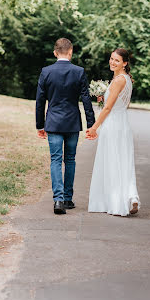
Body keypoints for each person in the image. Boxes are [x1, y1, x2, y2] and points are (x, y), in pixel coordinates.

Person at [36, 38, 95, 215]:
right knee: (70, 159)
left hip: (53, 122)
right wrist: (90, 124)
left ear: (55, 53)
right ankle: (68, 198)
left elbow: (40, 101)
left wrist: (40, 125)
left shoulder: (46, 72)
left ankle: (58, 200)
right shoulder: (79, 72)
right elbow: (86, 99)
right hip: (72, 123)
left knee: (55, 159)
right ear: (70, 52)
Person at [86, 48, 140, 216]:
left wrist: (94, 127)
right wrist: (104, 97)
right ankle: (131, 195)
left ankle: (116, 202)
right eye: (111, 59)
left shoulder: (118, 80)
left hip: (113, 125)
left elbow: (108, 107)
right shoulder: (126, 79)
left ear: (125, 63)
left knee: (111, 161)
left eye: (117, 60)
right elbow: (121, 103)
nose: (112, 62)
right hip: (123, 123)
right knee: (123, 161)